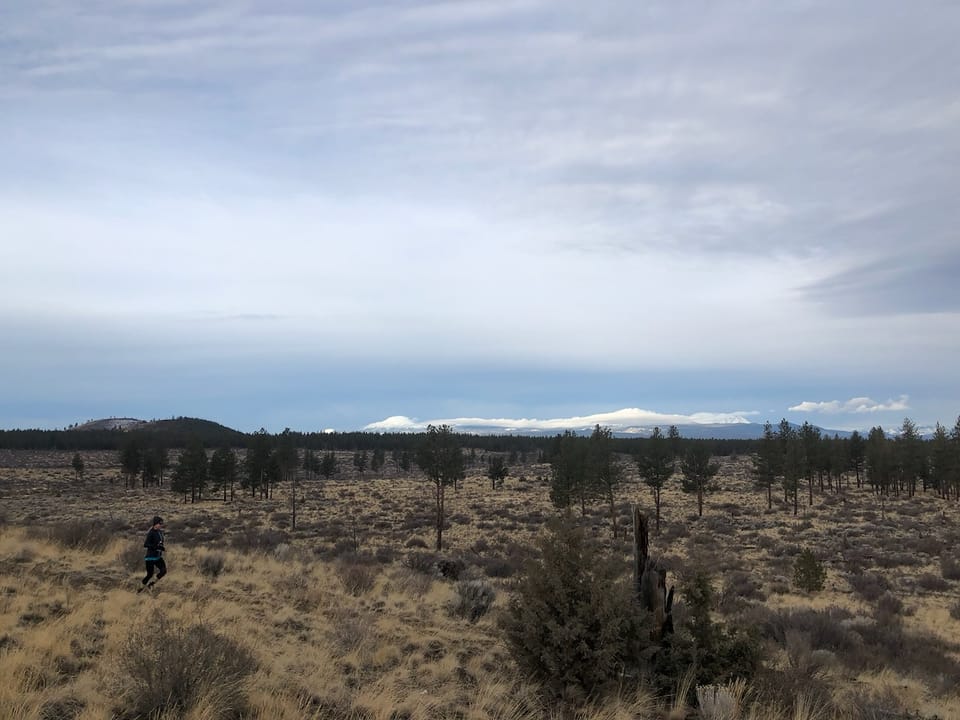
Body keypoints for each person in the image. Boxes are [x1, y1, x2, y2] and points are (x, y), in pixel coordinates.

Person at [139, 516, 167, 592]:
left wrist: (161, 547)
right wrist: (156, 547)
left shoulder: (160, 532)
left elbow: (159, 543)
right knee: (149, 575)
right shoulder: (151, 533)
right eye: (159, 523)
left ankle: (151, 584)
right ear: (155, 524)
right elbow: (146, 544)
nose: (161, 525)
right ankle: (140, 589)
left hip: (158, 557)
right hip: (150, 558)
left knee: (163, 571)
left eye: (162, 524)